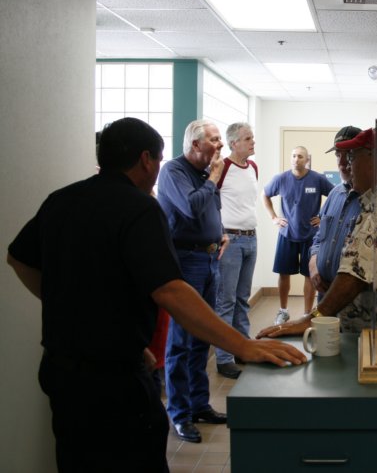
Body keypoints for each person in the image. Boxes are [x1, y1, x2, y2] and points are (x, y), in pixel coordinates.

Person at [6, 118, 305, 472]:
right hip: (114, 379)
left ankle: (198, 405)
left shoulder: (62, 199)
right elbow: (171, 290)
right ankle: (184, 411)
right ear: (146, 159)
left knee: (77, 458)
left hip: (61, 371)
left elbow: (18, 258)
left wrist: (69, 306)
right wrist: (243, 346)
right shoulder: (138, 206)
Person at [256, 128, 377, 337]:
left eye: (353, 157)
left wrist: (311, 318)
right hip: (370, 330)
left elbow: (357, 274)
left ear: (374, 161)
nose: (348, 166)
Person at [156, 119, 230, 443]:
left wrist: (220, 233)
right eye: (215, 140)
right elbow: (190, 207)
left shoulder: (202, 175)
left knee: (203, 336)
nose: (220, 146)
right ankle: (180, 414)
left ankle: (200, 404)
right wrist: (214, 178)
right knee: (181, 342)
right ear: (196, 144)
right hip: (186, 262)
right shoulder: (173, 172)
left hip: (210, 259)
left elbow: (210, 211)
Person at [264, 146, 335, 323]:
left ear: (307, 160)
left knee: (309, 275)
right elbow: (264, 195)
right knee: (283, 274)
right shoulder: (281, 179)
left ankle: (306, 314)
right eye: (294, 156)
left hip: (310, 235)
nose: (296, 159)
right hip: (287, 234)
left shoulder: (317, 179)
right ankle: (283, 311)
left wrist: (323, 218)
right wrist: (274, 218)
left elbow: (335, 196)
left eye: (300, 156)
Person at [214, 122, 259, 380]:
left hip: (251, 239)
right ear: (234, 143)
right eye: (248, 138)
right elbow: (211, 199)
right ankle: (223, 357)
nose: (253, 142)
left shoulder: (252, 167)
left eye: (252, 137)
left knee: (243, 298)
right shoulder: (224, 167)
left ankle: (243, 348)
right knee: (226, 300)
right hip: (230, 241)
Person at [308, 126, 363, 303]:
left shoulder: (374, 200)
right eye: (338, 154)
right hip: (324, 294)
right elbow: (319, 237)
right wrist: (313, 264)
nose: (342, 162)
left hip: (353, 301)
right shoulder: (334, 194)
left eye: (349, 154)